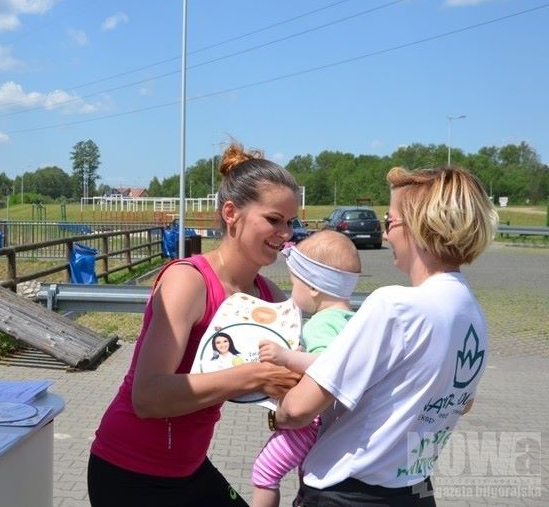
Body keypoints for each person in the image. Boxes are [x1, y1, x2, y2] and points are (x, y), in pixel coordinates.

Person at [87, 141, 303, 507]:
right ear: (231, 213)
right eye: (273, 220)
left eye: (290, 222)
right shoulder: (189, 281)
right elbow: (147, 396)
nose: (285, 234)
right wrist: (255, 376)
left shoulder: (270, 298)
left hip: (187, 469)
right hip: (128, 474)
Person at [274, 166, 498, 506]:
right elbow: (463, 403)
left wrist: (275, 415)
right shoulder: (473, 313)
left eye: (390, 221)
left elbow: (299, 409)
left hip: (349, 492)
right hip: (414, 489)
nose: (388, 234)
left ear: (419, 226)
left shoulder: (394, 305)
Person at [252, 230, 361, 507]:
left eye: (294, 284)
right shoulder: (353, 321)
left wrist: (286, 357)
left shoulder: (321, 323)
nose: (292, 291)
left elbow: (328, 365)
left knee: (265, 473)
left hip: (310, 422)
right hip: (336, 422)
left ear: (313, 287)